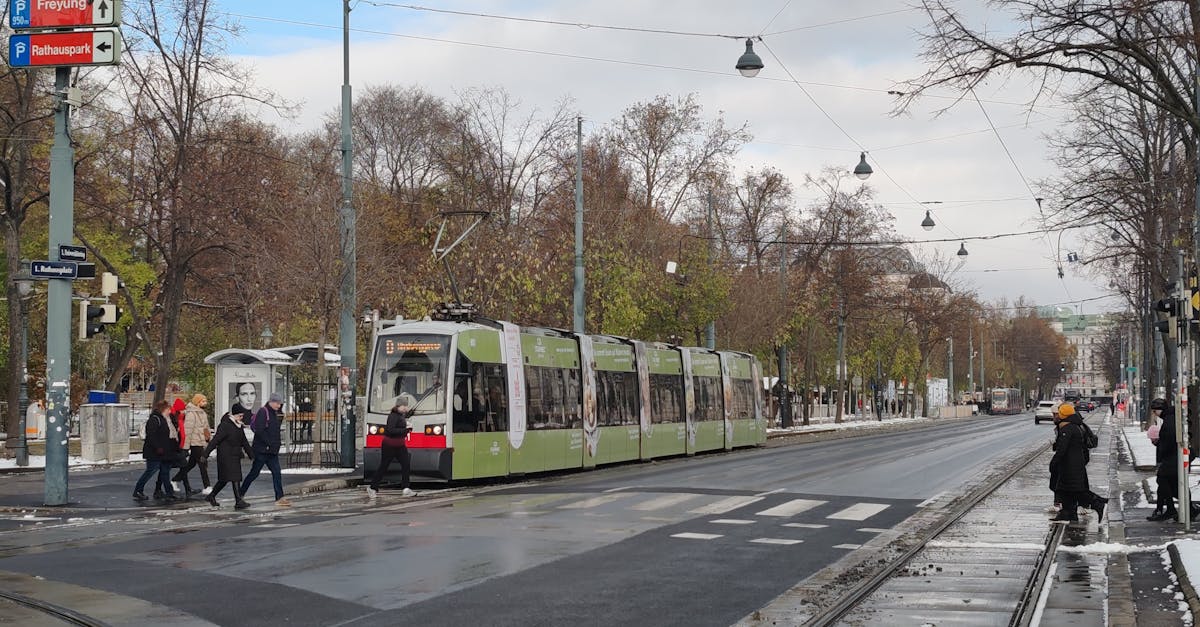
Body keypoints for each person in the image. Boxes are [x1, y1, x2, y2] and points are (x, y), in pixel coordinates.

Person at [1049, 403, 1108, 522]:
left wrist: (1054, 462)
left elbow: (1063, 449)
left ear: (1062, 414)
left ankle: (1097, 503)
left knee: (1076, 490)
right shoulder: (1074, 425)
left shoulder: (1067, 428)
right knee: (1066, 490)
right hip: (1074, 463)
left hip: (1071, 465)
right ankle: (1068, 513)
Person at [241, 392, 289, 506]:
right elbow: (260, 430)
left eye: (280, 404)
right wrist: (269, 443)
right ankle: (240, 493)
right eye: (277, 403)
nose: (279, 406)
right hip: (262, 450)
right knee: (254, 473)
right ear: (271, 402)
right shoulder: (264, 412)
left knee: (277, 473)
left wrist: (274, 445)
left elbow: (274, 430)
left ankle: (280, 497)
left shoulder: (275, 413)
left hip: (271, 451)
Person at [203, 407, 254, 509]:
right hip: (225, 456)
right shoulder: (225, 425)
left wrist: (251, 454)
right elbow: (215, 440)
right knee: (235, 477)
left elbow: (244, 442)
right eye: (240, 416)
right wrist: (205, 454)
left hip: (234, 455)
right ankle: (238, 501)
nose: (241, 418)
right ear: (234, 415)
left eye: (242, 416)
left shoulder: (239, 426)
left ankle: (211, 496)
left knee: (224, 479)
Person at [366, 401, 416, 499]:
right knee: (384, 466)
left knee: (406, 464)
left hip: (400, 445)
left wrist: (407, 429)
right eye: (404, 406)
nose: (406, 408)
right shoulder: (393, 416)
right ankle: (372, 488)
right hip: (390, 445)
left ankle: (406, 488)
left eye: (406, 406)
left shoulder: (401, 415)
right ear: (399, 406)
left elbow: (401, 424)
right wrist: (405, 430)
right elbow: (390, 430)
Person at [133, 400, 178, 502]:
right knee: (151, 471)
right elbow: (151, 436)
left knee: (165, 472)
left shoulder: (165, 419)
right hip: (154, 452)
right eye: (168, 409)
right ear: (163, 409)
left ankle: (169, 492)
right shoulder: (155, 419)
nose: (169, 411)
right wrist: (158, 447)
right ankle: (138, 490)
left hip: (164, 451)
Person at [173, 394, 211, 496]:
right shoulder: (191, 414)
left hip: (200, 441)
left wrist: (208, 439)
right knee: (202, 463)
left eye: (205, 401)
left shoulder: (202, 413)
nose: (205, 403)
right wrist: (185, 446)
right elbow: (187, 431)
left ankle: (175, 479)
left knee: (191, 464)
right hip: (195, 442)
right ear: (197, 402)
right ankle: (207, 486)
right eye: (203, 401)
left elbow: (205, 428)